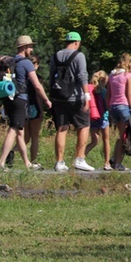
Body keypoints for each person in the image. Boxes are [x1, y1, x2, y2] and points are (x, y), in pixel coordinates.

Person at [0, 36, 51, 170]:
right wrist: (46, 100)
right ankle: (1, 162)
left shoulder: (12, 61)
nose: (32, 50)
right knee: (14, 129)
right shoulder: (26, 63)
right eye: (30, 47)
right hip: (20, 98)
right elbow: (37, 85)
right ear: (25, 47)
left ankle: (27, 163)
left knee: (20, 131)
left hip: (10, 97)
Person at [49, 31, 93, 172]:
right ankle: (79, 158)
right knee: (84, 126)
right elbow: (82, 76)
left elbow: (51, 77)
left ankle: (59, 162)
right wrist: (87, 96)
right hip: (75, 98)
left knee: (62, 129)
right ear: (76, 42)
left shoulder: (55, 56)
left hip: (58, 97)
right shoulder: (79, 56)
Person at [107, 53, 131, 171]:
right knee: (124, 137)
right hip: (123, 106)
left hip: (113, 107)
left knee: (122, 135)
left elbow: (108, 94)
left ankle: (115, 159)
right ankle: (117, 162)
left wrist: (107, 108)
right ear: (129, 63)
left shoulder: (111, 75)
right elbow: (129, 93)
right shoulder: (128, 75)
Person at [85, 70, 111, 170]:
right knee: (106, 140)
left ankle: (80, 157)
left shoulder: (90, 90)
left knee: (94, 141)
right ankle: (106, 163)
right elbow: (107, 106)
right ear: (104, 80)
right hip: (103, 118)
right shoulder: (104, 91)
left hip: (93, 118)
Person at [23, 55, 46, 166]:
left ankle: (12, 152)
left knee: (25, 137)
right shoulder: (38, 78)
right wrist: (41, 110)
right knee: (35, 137)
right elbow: (38, 96)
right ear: (36, 65)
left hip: (23, 108)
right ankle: (33, 161)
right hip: (34, 107)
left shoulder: (22, 77)